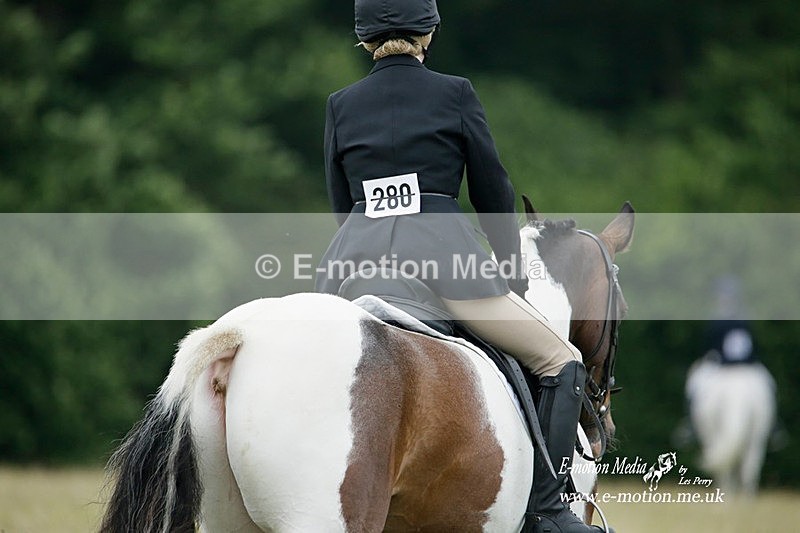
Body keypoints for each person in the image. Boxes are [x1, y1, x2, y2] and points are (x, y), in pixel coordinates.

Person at [316, 1, 605, 531]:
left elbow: (342, 204)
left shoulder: (341, 104)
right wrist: (510, 274)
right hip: (447, 268)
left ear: (363, 41)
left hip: (352, 270)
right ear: (428, 33)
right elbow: (493, 192)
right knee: (561, 360)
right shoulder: (455, 93)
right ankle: (546, 508)